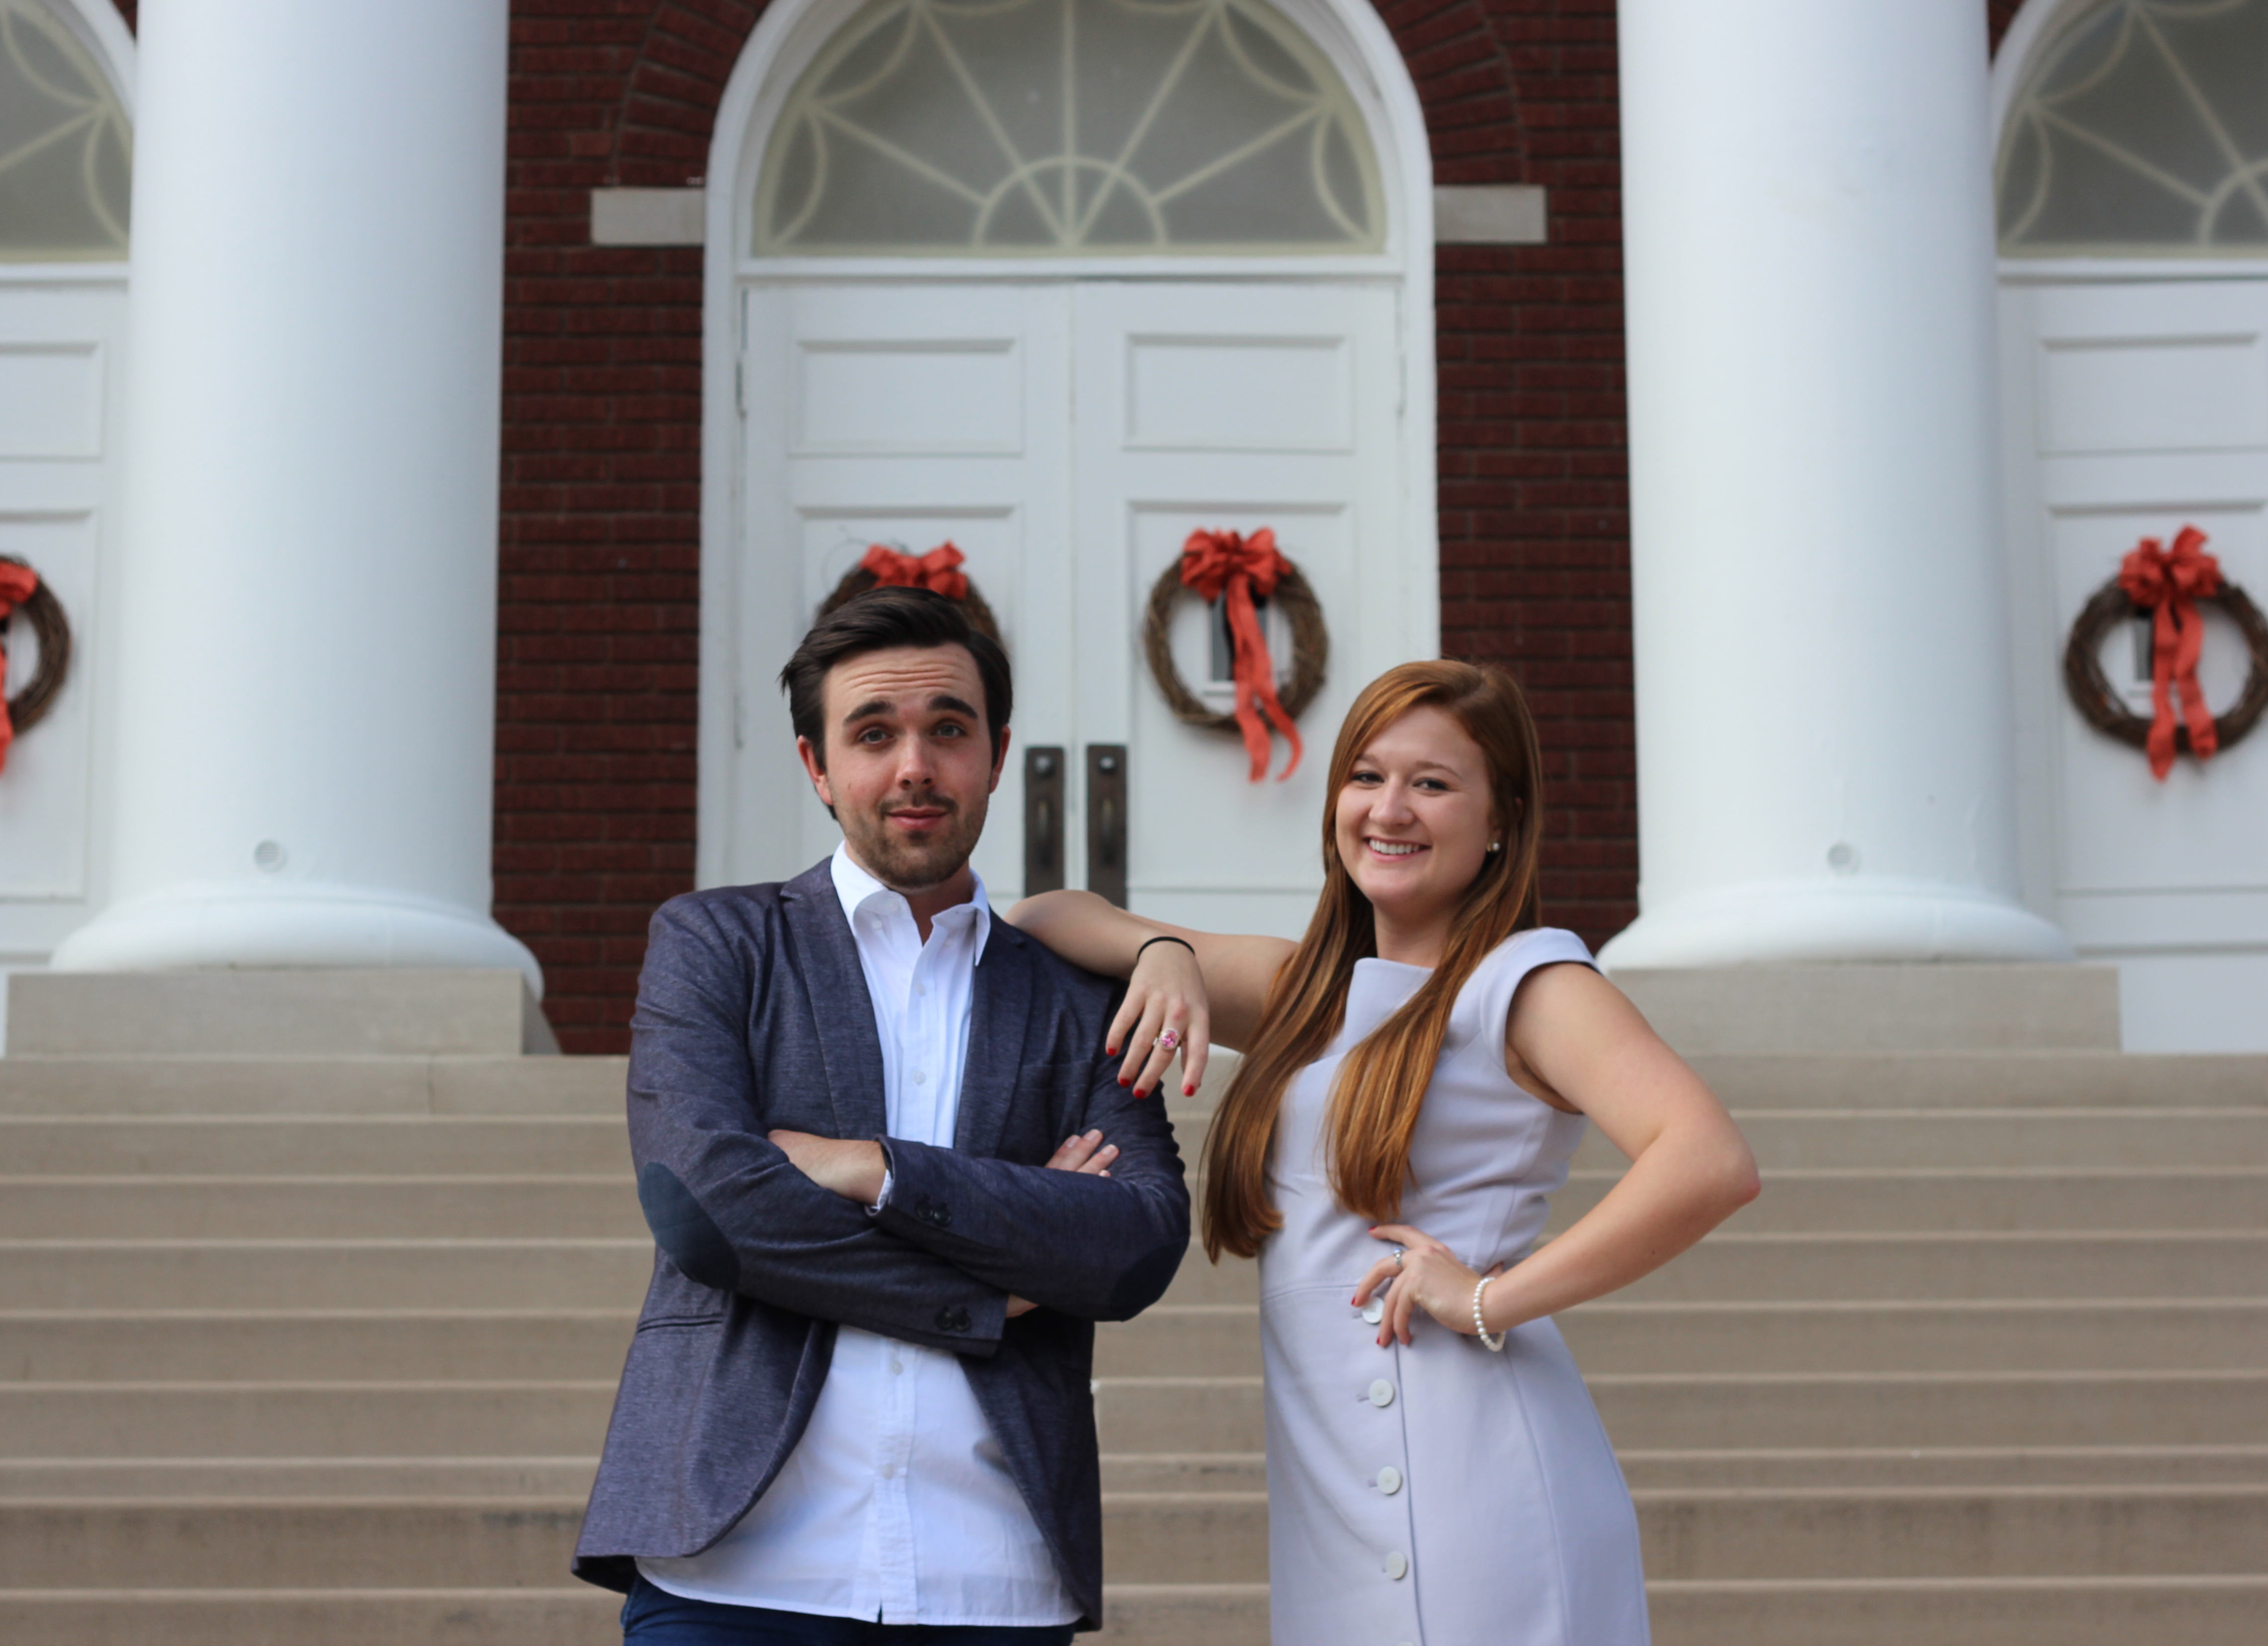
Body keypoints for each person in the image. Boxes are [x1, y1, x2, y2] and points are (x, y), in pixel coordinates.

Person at [1009, 659, 1759, 1646]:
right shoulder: (1304, 992)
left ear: (1502, 819)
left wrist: (1490, 1299)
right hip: (1333, 1494)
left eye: (1432, 783)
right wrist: (1163, 953)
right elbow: (1045, 917)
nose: (1389, 809)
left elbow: (1707, 1161)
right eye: (1366, 777)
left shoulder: (1525, 984)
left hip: (1471, 1477)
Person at [574, 586, 1191, 1644]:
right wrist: (999, 1290)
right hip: (731, 1569)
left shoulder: (1077, 996)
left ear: (997, 754)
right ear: (816, 766)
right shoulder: (718, 945)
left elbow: (1133, 1243)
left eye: (948, 729)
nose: (915, 766)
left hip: (993, 1577)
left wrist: (872, 1170)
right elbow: (707, 1212)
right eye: (873, 734)